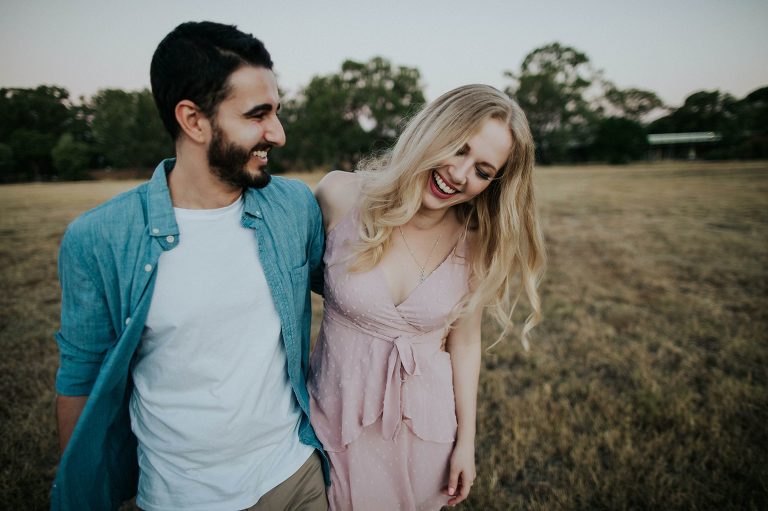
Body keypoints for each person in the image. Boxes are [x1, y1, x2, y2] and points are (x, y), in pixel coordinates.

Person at [52, 21, 328, 510]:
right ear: (193, 120)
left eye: (277, 112)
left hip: (296, 477)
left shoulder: (295, 207)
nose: (278, 134)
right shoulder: (99, 238)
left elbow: (352, 296)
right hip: (182, 496)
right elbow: (80, 379)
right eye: (257, 114)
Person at [308, 84, 545, 510]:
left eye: (483, 171)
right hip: (331, 424)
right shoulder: (339, 196)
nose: (459, 174)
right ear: (433, 130)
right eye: (458, 148)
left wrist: (465, 443)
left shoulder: (477, 244)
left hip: (426, 435)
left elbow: (465, 342)